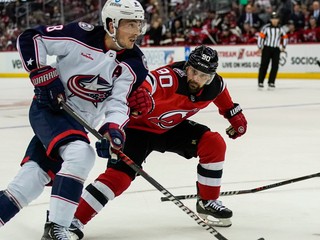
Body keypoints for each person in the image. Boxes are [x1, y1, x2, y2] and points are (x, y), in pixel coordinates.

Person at [0, 0, 149, 239]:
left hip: (77, 123)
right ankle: (57, 228)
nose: (136, 31)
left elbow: (118, 103)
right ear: (111, 24)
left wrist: (113, 130)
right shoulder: (80, 35)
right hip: (49, 110)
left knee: (31, 179)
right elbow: (30, 38)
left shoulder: (134, 63)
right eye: (130, 24)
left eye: (138, 24)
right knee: (81, 153)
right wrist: (40, 73)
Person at [69, 45, 248, 239]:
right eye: (194, 71)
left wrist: (234, 117)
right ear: (187, 67)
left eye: (203, 75)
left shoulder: (215, 86)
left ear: (211, 76)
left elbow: (225, 100)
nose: (196, 79)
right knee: (118, 178)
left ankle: (207, 201)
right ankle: (71, 219)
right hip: (137, 130)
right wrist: (142, 93)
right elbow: (148, 81)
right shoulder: (169, 78)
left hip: (170, 128)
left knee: (214, 143)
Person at [257, 11, 288, 90]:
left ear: (278, 20)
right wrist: (260, 47)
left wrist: (284, 46)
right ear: (270, 19)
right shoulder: (266, 28)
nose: (274, 20)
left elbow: (285, 37)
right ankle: (260, 81)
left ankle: (271, 82)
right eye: (273, 19)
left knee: (275, 66)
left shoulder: (281, 28)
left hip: (276, 49)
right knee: (264, 65)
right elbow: (261, 37)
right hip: (267, 48)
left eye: (276, 19)